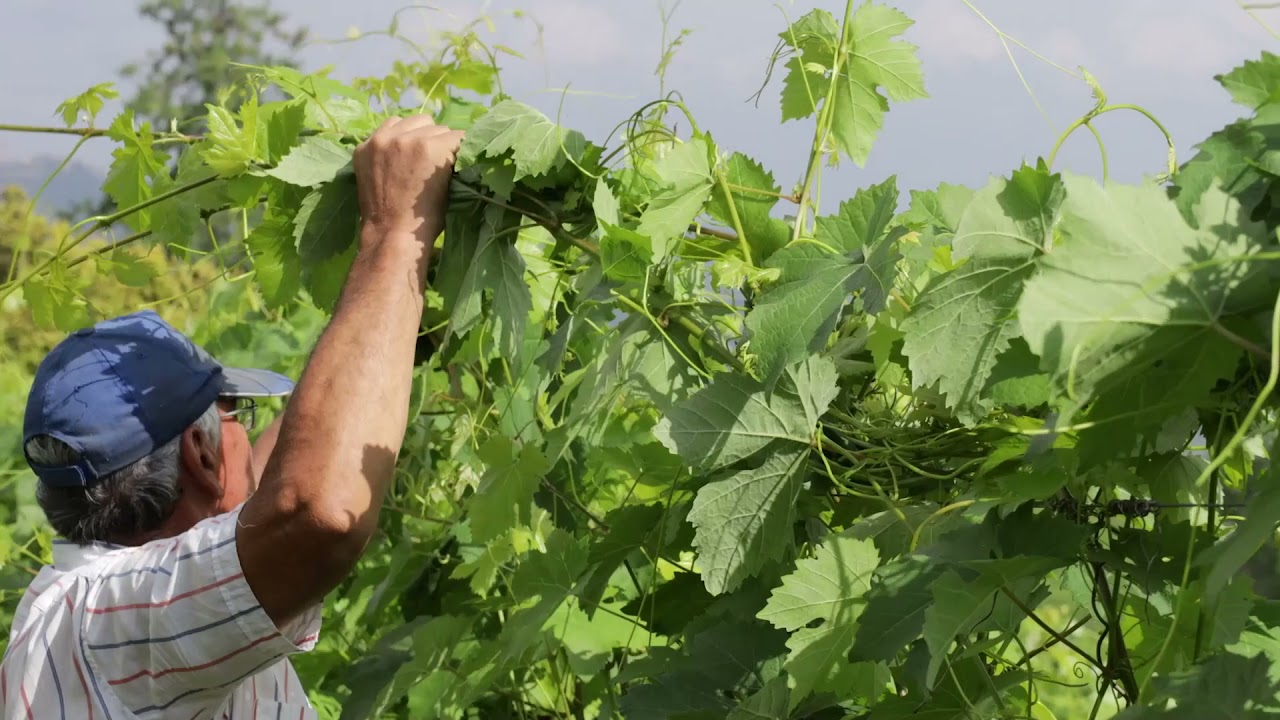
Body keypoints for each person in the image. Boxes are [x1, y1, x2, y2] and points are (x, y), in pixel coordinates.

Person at [0, 114, 464, 718]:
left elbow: (284, 470)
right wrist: (394, 235)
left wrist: (397, 324)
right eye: (238, 413)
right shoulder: (119, 623)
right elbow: (311, 511)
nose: (252, 431)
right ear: (200, 453)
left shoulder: (82, 606)